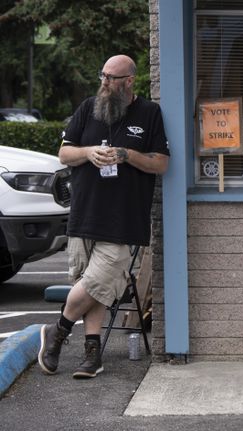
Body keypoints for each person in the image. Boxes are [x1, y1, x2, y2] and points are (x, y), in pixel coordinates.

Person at [38, 55, 170, 379]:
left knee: (96, 281)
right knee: (89, 284)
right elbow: (64, 153)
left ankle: (57, 331)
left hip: (124, 219)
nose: (104, 83)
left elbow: (161, 163)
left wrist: (126, 155)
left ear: (129, 81)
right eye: (103, 76)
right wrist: (88, 152)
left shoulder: (149, 114)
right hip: (85, 212)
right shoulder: (88, 108)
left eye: (111, 78)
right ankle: (93, 352)